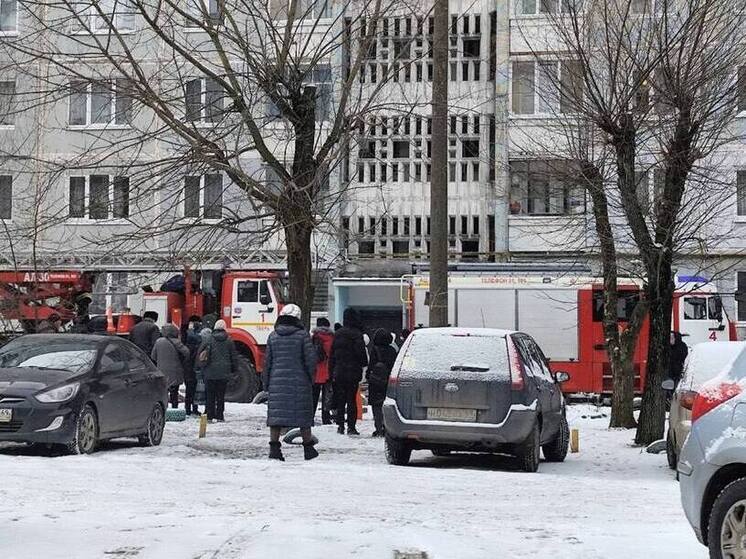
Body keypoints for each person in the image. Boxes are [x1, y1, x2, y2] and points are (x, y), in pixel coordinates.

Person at [264, 304, 318, 461]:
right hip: (299, 382)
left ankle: (274, 450)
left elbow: (267, 362)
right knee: (303, 417)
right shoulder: (302, 336)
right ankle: (308, 449)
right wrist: (310, 378)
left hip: (276, 382)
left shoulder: (273, 336)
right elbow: (310, 360)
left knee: (276, 418)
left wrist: (266, 383)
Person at [329, 308, 368, 436]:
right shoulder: (357, 334)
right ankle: (351, 426)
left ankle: (340, 425)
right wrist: (363, 364)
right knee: (351, 399)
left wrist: (331, 372)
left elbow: (332, 355)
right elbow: (361, 354)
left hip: (339, 371)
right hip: (353, 372)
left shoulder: (338, 334)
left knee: (341, 399)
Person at [199, 319, 238, 422]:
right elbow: (234, 357)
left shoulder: (208, 339)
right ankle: (220, 415)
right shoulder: (229, 340)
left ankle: (210, 415)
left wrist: (200, 367)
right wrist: (234, 370)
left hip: (209, 372)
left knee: (210, 395)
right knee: (220, 395)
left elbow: (201, 353)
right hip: (224, 373)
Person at [367, 328, 398, 437]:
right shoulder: (392, 350)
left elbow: (371, 365)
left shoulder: (375, 350)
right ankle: (386, 427)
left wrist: (368, 376)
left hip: (376, 381)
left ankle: (378, 427)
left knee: (376, 405)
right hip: (388, 380)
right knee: (386, 404)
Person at [151, 323, 190, 409]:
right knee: (174, 392)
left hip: (161, 371)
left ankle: (164, 409)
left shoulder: (159, 341)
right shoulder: (177, 342)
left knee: (163, 392)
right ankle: (174, 408)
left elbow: (153, 356)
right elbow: (187, 353)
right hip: (175, 371)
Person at [311, 317, 335, 425]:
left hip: (315, 371)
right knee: (327, 396)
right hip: (328, 370)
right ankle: (326, 417)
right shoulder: (332, 338)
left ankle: (310, 416)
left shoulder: (313, 338)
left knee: (314, 396)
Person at [183, 316, 203, 416]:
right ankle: (194, 408)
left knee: (188, 390)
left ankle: (187, 409)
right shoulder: (198, 344)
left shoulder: (185, 346)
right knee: (195, 390)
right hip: (194, 369)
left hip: (187, 369)